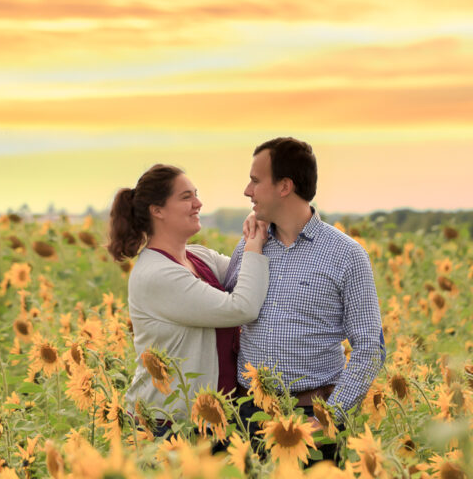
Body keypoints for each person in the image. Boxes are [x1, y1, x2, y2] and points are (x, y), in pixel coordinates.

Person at [225, 138, 385, 461]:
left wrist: (328, 419)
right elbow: (227, 311)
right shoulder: (249, 246)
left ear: (284, 186)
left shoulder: (346, 255)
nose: (247, 190)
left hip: (311, 416)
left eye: (256, 181)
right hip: (248, 419)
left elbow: (370, 346)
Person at [107, 163, 269, 430]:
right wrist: (254, 243)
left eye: (196, 194)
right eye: (186, 197)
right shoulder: (157, 275)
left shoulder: (198, 256)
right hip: (166, 423)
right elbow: (242, 307)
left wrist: (259, 230)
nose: (198, 203)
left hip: (211, 417)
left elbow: (251, 277)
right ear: (157, 211)